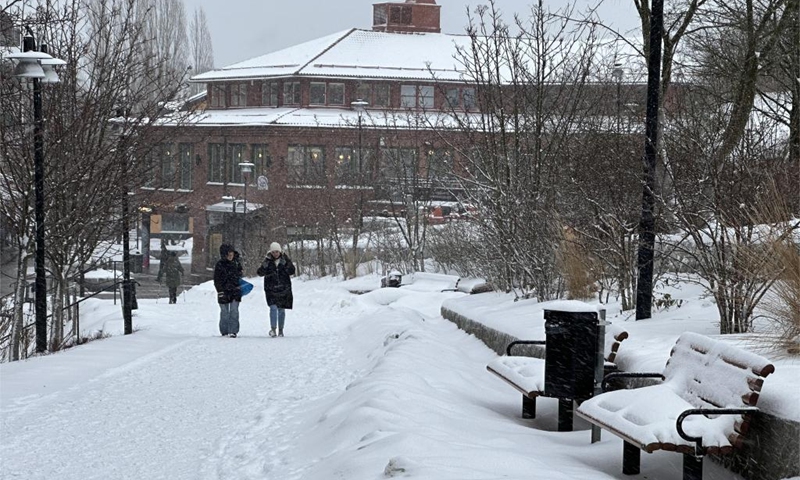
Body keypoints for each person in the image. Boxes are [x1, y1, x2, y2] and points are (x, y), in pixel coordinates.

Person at [257, 242, 295, 337]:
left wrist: (286, 265)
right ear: (271, 252)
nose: (275, 254)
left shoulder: (285, 259)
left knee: (281, 309)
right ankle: (273, 329)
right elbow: (260, 272)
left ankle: (281, 330)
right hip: (271, 288)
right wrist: (264, 267)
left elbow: (292, 271)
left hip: (283, 288)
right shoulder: (267, 261)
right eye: (273, 252)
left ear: (280, 251)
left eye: (277, 252)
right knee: (273, 308)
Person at [214, 243, 243, 337]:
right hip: (223, 291)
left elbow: (240, 275)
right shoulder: (219, 265)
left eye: (232, 254)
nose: (231, 256)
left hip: (235, 290)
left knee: (234, 311)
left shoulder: (237, 263)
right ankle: (224, 330)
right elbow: (217, 279)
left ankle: (233, 330)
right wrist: (220, 290)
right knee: (224, 312)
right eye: (228, 255)